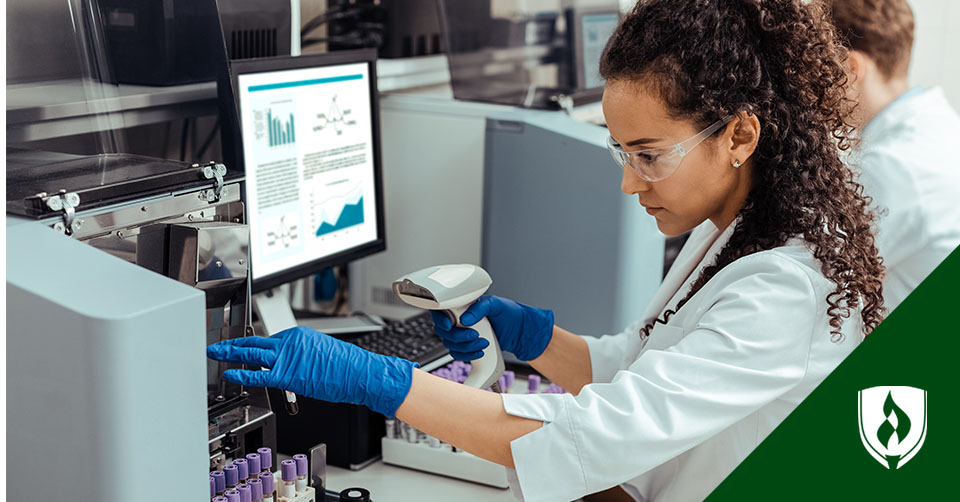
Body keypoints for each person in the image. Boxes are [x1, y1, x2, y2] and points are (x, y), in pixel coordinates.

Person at [207, 1, 885, 500]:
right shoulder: (736, 227)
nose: (627, 182)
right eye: (622, 152)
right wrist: (533, 337)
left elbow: (594, 435)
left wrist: (379, 381)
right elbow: (644, 366)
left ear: (739, 136)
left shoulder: (784, 289)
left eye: (648, 155)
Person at [826, 0, 960, 312]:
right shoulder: (939, 130)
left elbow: (810, 279)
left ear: (850, 68)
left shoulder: (894, 168)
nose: (809, 87)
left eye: (817, 68)